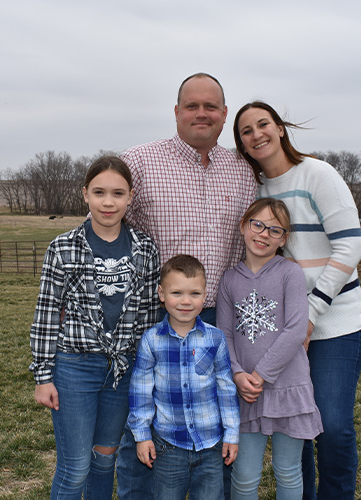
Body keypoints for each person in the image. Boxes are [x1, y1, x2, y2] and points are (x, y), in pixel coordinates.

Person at [116, 73, 257, 500]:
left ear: (224, 114)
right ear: (176, 112)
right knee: (141, 419)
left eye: (210, 107)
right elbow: (106, 222)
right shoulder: (139, 161)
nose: (201, 113)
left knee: (218, 413)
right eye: (192, 106)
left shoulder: (243, 169)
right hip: (154, 314)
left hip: (221, 316)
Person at [233, 102, 361, 500]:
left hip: (333, 321)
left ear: (279, 128)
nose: (256, 134)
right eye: (246, 131)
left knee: (333, 423)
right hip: (281, 330)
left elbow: (350, 247)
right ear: (241, 144)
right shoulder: (255, 190)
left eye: (263, 124)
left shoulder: (318, 173)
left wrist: (310, 316)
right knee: (298, 426)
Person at [29, 155, 161, 500]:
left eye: (118, 193)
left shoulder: (145, 249)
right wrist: (43, 376)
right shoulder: (63, 248)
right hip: (75, 367)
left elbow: (149, 318)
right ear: (84, 193)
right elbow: (45, 314)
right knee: (75, 469)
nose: (108, 202)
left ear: (131, 197)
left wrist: (148, 372)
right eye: (99, 192)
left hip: (123, 370)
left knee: (105, 461)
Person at [216, 198, 323, 500]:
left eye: (274, 230)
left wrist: (261, 374)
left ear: (284, 239)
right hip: (247, 392)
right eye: (258, 225)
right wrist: (238, 375)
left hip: (288, 388)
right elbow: (224, 334)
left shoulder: (290, 273)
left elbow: (295, 330)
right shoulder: (229, 279)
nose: (263, 234)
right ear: (243, 226)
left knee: (288, 470)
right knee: (245, 474)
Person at [128, 254, 240, 500]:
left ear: (205, 294)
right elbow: (141, 392)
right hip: (168, 446)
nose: (186, 301)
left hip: (211, 445)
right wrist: (142, 436)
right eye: (176, 293)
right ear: (161, 293)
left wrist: (232, 433)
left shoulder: (216, 338)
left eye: (194, 294)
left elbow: (226, 389)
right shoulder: (151, 340)